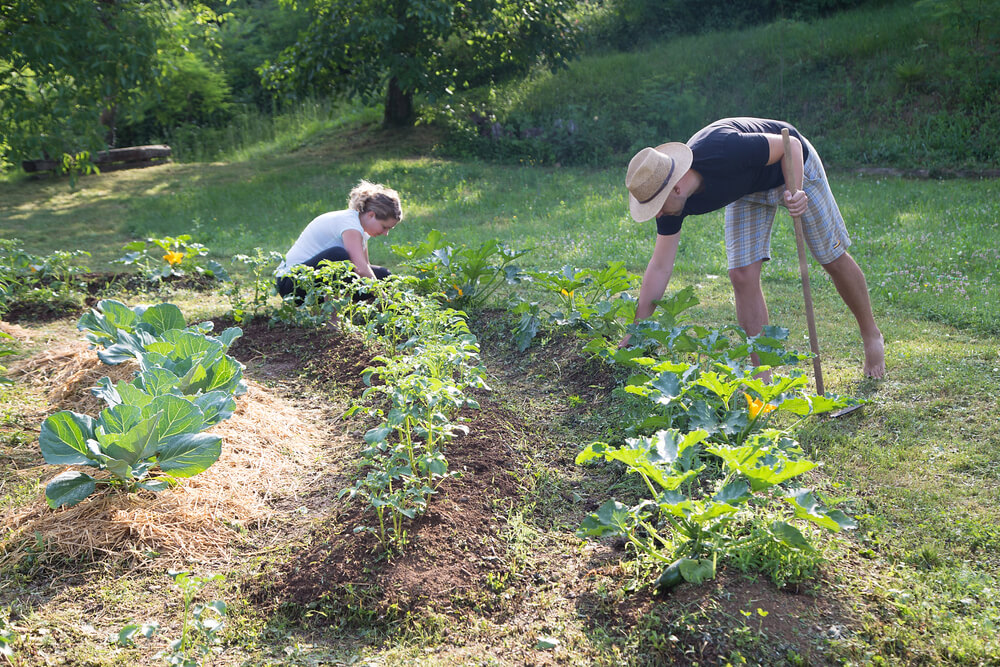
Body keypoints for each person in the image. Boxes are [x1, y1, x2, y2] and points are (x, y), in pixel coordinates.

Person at [623, 117, 885, 378]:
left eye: (656, 208)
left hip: (792, 166)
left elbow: (789, 143)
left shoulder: (723, 150)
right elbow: (660, 266)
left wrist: (797, 191)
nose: (657, 216)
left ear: (676, 187)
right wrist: (635, 331)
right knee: (742, 274)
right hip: (746, 189)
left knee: (832, 258)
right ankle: (763, 376)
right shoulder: (672, 204)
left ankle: (871, 335)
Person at [275, 180, 402, 300]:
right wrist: (384, 298)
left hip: (313, 279)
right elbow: (361, 270)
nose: (386, 233)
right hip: (291, 283)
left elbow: (365, 268)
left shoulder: (361, 229)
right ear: (371, 215)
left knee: (383, 276)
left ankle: (367, 313)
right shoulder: (350, 224)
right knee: (339, 256)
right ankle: (334, 320)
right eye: (384, 227)